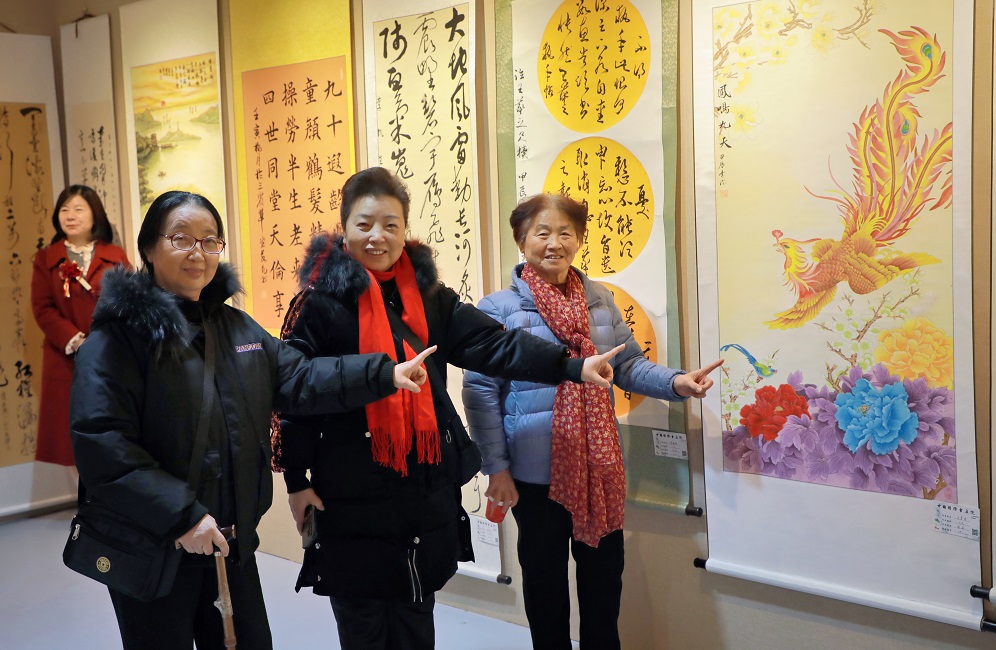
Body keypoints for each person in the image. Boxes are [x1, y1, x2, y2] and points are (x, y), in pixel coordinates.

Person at [274, 167, 622, 650]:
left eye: (391, 225)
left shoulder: (426, 296)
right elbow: (293, 389)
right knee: (364, 624)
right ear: (344, 227)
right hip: (350, 491)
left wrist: (569, 365)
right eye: (365, 224)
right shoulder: (318, 303)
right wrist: (297, 479)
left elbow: (492, 345)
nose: (378, 237)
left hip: (421, 486)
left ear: (405, 230)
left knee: (417, 618)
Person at [69, 190, 435, 650]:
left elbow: (300, 377)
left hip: (229, 542)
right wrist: (183, 518)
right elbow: (103, 446)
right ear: (149, 248)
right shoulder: (117, 339)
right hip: (153, 545)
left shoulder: (234, 328)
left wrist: (382, 373)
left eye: (210, 241)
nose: (198, 252)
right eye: (181, 238)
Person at [461, 193, 724, 650]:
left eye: (565, 232)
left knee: (604, 586)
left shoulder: (598, 299)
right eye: (542, 233)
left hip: (598, 469)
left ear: (579, 239)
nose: (554, 243)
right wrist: (496, 468)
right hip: (534, 477)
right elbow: (480, 392)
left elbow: (628, 365)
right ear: (522, 241)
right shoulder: (499, 309)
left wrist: (677, 383)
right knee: (545, 588)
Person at [31, 185, 129, 468]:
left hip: (110, 356)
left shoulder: (115, 255)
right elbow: (42, 308)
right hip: (65, 359)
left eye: (78, 209)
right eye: (64, 210)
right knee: (71, 438)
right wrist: (76, 340)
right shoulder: (46, 258)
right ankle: (81, 495)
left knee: (113, 430)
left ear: (94, 215)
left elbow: (129, 301)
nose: (70, 216)